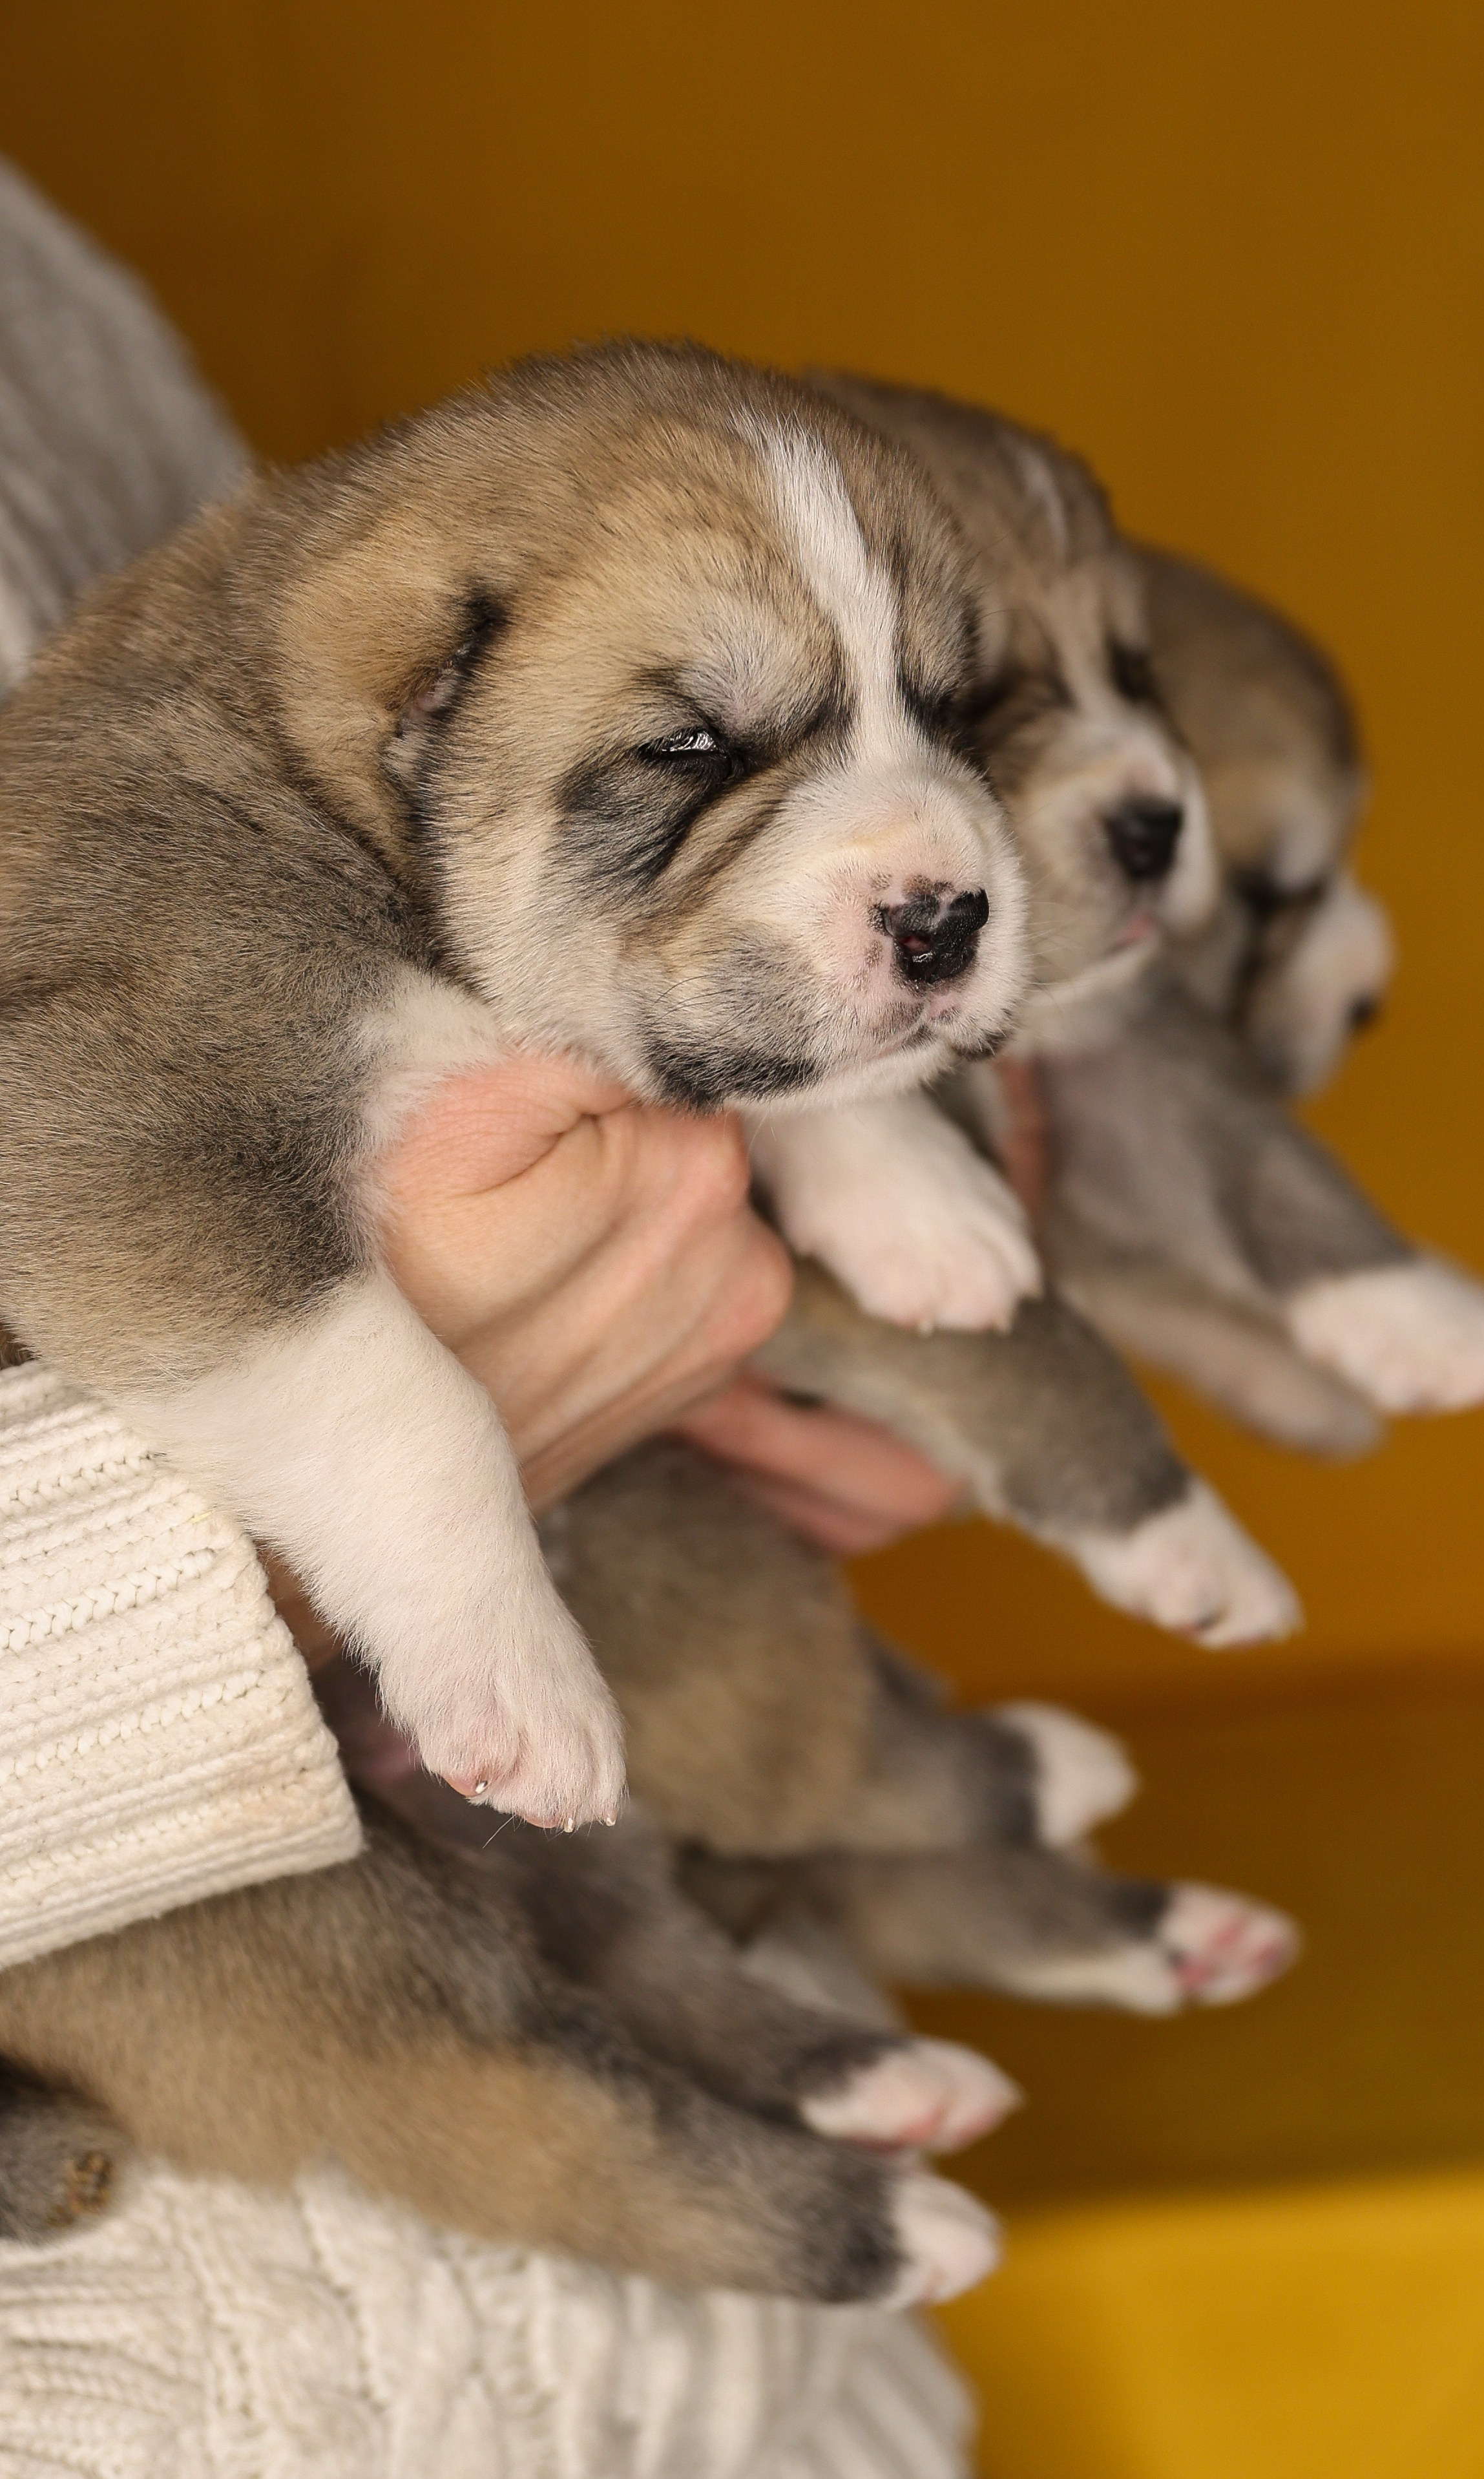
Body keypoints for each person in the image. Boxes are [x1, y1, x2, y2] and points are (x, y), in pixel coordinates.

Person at [0, 158, 976, 2478]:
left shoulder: (40, 263)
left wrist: (798, 1184)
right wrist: (299, 1523)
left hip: (749, 2396)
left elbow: (505, 892)